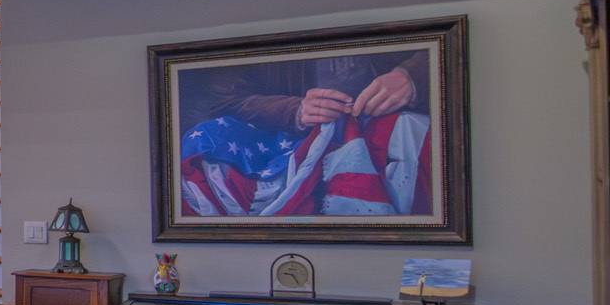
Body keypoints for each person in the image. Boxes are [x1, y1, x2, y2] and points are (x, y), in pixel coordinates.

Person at [177, 49, 433, 219]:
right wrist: (295, 111)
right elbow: (224, 98)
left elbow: (444, 45)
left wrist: (412, 76)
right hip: (290, 142)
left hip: (394, 123)